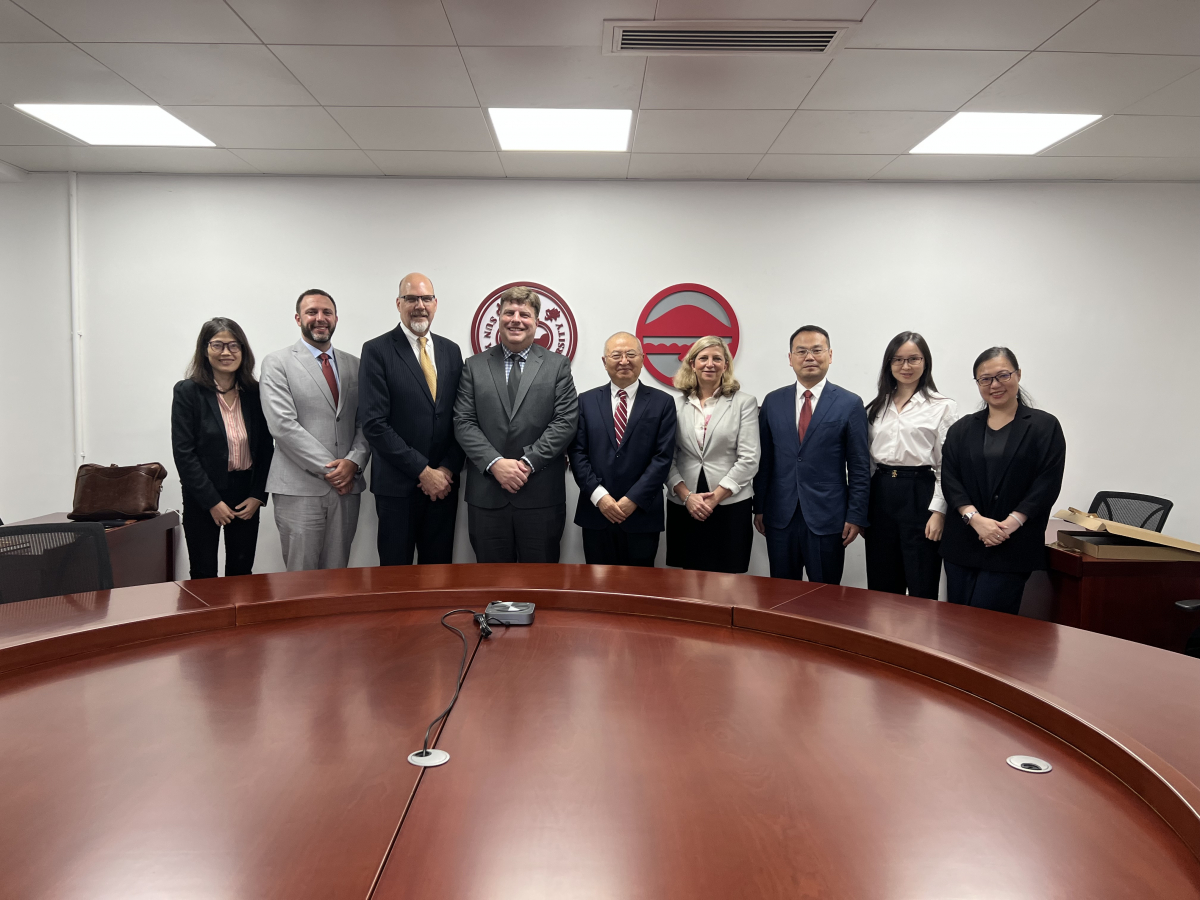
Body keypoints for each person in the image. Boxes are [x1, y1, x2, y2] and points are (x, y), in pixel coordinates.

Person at [453, 285, 579, 563]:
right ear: (498, 317)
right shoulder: (474, 366)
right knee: (492, 581)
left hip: (541, 497)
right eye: (509, 312)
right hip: (487, 497)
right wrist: (495, 463)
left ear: (537, 321)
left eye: (524, 314)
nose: (516, 320)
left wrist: (527, 463)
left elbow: (565, 421)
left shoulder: (557, 366)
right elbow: (463, 421)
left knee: (541, 582)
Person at [940, 347, 1066, 614]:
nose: (994, 385)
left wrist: (1008, 525)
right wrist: (975, 520)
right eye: (985, 379)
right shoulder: (961, 429)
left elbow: (1047, 483)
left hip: (1012, 544)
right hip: (964, 542)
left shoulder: (1044, 426)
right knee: (956, 624)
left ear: (1018, 374)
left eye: (1002, 375)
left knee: (990, 627)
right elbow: (950, 479)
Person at [259, 289, 371, 571]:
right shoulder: (277, 363)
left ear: (336, 319)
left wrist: (354, 461)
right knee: (301, 577)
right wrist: (334, 470)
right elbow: (282, 425)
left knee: (337, 574)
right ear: (298, 318)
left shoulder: (356, 365)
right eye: (312, 312)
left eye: (326, 312)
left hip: (346, 490)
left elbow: (366, 421)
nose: (320, 318)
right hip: (299, 489)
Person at [358, 272, 465, 565]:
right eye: (411, 299)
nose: (420, 305)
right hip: (397, 488)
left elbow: (461, 417)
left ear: (435, 304)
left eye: (426, 299)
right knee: (396, 577)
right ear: (398, 303)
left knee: (439, 574)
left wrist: (446, 470)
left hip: (444, 486)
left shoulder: (451, 351)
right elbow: (374, 423)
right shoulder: (376, 350)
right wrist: (423, 471)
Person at [754, 325, 869, 584]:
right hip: (780, 515)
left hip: (828, 517)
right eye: (801, 351)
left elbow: (859, 466)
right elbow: (765, 461)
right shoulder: (772, 401)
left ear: (830, 355)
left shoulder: (850, 403)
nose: (809, 357)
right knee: (781, 593)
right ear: (790, 358)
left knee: (824, 595)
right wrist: (759, 507)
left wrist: (856, 515)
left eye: (817, 350)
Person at [171, 318, 274, 579]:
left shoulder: (255, 393)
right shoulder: (188, 392)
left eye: (233, 345)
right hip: (203, 495)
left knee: (241, 572)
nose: (226, 352)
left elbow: (266, 448)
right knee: (203, 573)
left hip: (245, 495)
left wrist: (258, 495)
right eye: (217, 345)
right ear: (205, 349)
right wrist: (212, 502)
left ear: (243, 350)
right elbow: (184, 453)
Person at [569, 332, 677, 567]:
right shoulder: (585, 401)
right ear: (604, 361)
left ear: (642, 358)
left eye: (631, 354)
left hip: (641, 514)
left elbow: (663, 458)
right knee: (597, 584)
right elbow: (577, 453)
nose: (624, 361)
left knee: (639, 585)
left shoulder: (663, 402)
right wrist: (600, 497)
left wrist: (633, 499)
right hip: (596, 513)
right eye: (616, 355)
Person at [863, 331, 957, 600]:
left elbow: (947, 466)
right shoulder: (875, 407)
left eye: (913, 359)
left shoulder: (942, 406)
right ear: (889, 364)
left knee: (921, 581)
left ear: (925, 362)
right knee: (881, 583)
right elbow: (867, 463)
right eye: (898, 359)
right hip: (881, 494)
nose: (905, 366)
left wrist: (939, 512)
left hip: (920, 494)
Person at [666, 336, 760, 574]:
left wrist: (714, 498)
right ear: (692, 364)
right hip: (685, 503)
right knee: (687, 579)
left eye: (717, 358)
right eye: (703, 358)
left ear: (726, 365)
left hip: (729, 503)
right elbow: (666, 457)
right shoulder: (674, 405)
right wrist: (687, 497)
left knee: (727, 580)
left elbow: (749, 459)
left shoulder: (744, 403)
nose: (710, 364)